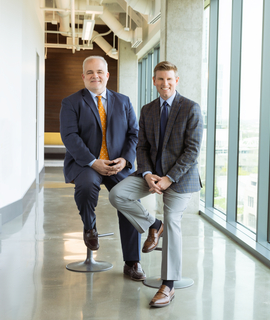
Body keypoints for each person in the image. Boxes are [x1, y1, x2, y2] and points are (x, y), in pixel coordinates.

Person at [109, 61, 203, 307]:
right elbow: (142, 146)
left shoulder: (191, 108)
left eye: (169, 79)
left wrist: (168, 178)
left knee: (173, 222)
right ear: (154, 81)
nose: (165, 84)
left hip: (179, 179)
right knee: (117, 195)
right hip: (152, 174)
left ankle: (168, 285)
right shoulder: (148, 109)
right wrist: (148, 173)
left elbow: (192, 152)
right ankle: (153, 224)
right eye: (160, 79)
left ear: (177, 80)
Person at [60, 56, 146, 280]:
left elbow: (134, 134)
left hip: (117, 164)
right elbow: (69, 136)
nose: (94, 76)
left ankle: (132, 262)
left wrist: (125, 160)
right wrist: (92, 161)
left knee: (127, 200)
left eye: (99, 72)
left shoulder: (123, 101)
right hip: (86, 163)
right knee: (87, 186)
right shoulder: (71, 102)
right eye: (89, 72)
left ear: (107, 75)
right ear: (83, 77)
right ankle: (90, 227)